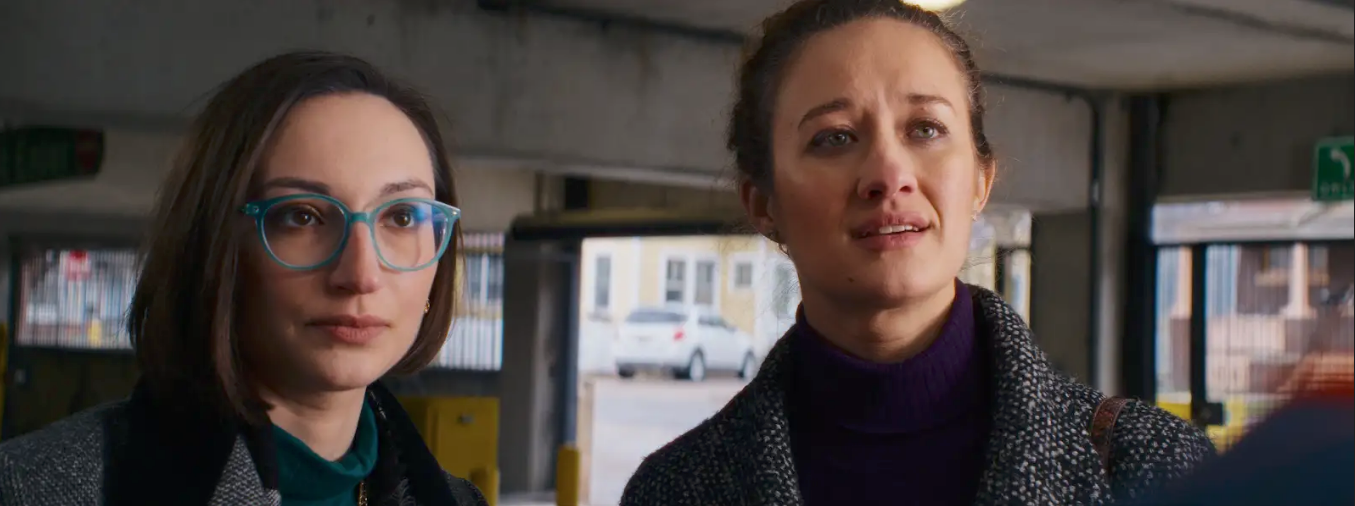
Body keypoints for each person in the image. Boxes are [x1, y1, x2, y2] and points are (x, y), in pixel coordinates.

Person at [620, 1, 1214, 505]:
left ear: (980, 181)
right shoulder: (674, 489)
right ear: (763, 203)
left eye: (925, 128)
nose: (888, 174)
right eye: (834, 138)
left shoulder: (1153, 462)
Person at [0, 51, 487, 506]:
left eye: (402, 217)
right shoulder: (33, 488)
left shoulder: (458, 499)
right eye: (301, 217)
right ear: (214, 245)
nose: (360, 274)